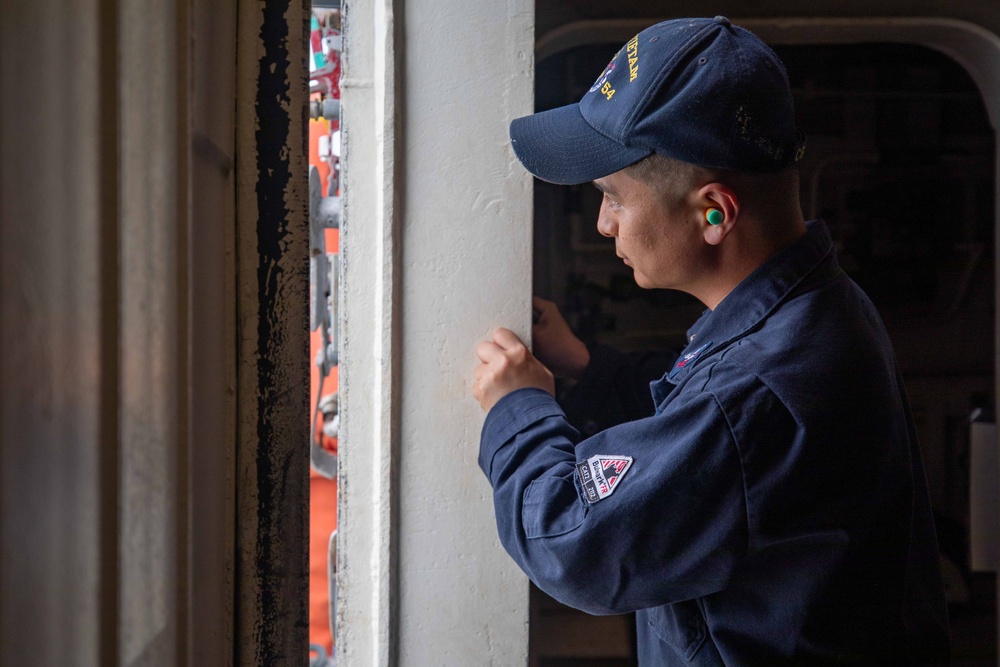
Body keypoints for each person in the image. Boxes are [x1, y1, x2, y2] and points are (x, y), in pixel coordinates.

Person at [472, 16, 950, 666]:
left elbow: (573, 540)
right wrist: (591, 368)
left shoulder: (757, 394)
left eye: (613, 195)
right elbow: (701, 429)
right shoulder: (820, 308)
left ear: (714, 212)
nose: (604, 222)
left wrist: (518, 410)